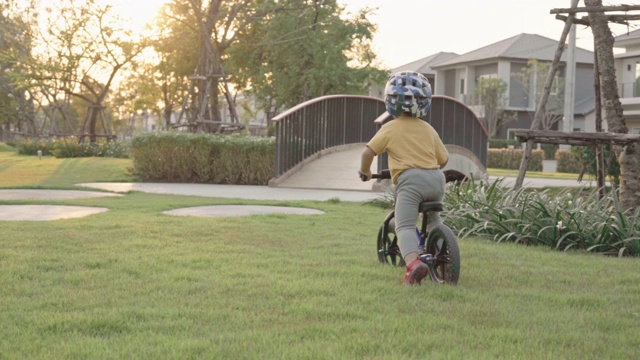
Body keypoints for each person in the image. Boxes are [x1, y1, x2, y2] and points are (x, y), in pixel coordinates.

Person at [359, 71, 449, 285]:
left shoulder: (390, 128)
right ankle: (445, 263)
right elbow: (443, 159)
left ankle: (413, 264)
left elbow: (367, 153)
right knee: (434, 221)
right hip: (436, 179)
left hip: (411, 181)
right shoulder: (428, 129)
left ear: (390, 101)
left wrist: (365, 172)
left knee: (405, 225)